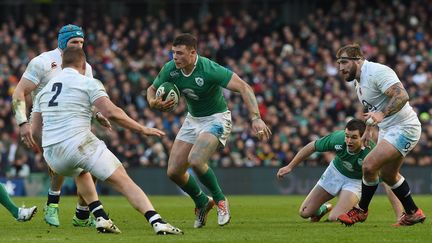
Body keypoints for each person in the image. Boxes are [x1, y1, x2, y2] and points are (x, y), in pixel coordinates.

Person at [31, 46, 183, 235]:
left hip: (53, 154)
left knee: (82, 172)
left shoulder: (44, 90)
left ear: (62, 64)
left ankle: (101, 217)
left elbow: (35, 130)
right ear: (83, 64)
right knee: (123, 180)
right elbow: (112, 112)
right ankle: (157, 221)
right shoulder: (88, 82)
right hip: (78, 144)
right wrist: (142, 129)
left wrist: (47, 153)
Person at [147, 33, 272, 228]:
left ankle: (221, 200)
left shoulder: (209, 69)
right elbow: (151, 89)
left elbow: (244, 87)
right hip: (192, 120)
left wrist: (256, 118)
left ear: (193, 53)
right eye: (173, 53)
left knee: (196, 160)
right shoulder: (170, 69)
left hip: (216, 118)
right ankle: (202, 202)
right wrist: (153, 102)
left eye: (180, 53)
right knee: (173, 172)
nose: (175, 57)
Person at [12, 24, 110, 227]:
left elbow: (89, 96)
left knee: (90, 167)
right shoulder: (43, 62)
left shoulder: (86, 67)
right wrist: (22, 122)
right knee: (69, 166)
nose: (79, 46)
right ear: (63, 42)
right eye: (75, 42)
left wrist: (98, 113)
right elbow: (19, 92)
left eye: (82, 42)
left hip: (77, 120)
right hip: (48, 122)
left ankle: (81, 213)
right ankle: (55, 205)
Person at [335, 44, 426, 226]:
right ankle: (413, 212)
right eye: (338, 63)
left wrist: (382, 115)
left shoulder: (377, 72)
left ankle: (361, 210)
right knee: (389, 175)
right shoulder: (358, 82)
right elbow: (372, 108)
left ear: (358, 60)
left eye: (344, 62)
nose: (341, 68)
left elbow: (402, 95)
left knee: (369, 166)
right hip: (387, 129)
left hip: (404, 127)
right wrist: (369, 129)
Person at [277, 119, 403, 222]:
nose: (348, 141)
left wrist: (399, 216)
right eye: (347, 136)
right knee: (304, 213)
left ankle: (354, 211)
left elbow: (388, 181)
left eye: (354, 137)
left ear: (363, 137)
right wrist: (290, 166)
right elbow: (312, 146)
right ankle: (322, 209)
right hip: (335, 172)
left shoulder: (372, 152)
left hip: (355, 182)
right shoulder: (337, 138)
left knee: (334, 218)